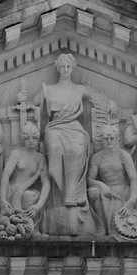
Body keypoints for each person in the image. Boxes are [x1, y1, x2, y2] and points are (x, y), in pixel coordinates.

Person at [41, 53, 110, 213]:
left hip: (75, 128)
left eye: (68, 66)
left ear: (73, 68)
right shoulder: (48, 90)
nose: (65, 69)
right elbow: (32, 104)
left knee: (79, 146)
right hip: (55, 127)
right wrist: (21, 99)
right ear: (58, 68)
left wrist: (109, 103)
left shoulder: (80, 89)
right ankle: (62, 190)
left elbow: (97, 98)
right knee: (53, 144)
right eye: (63, 67)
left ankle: (71, 193)